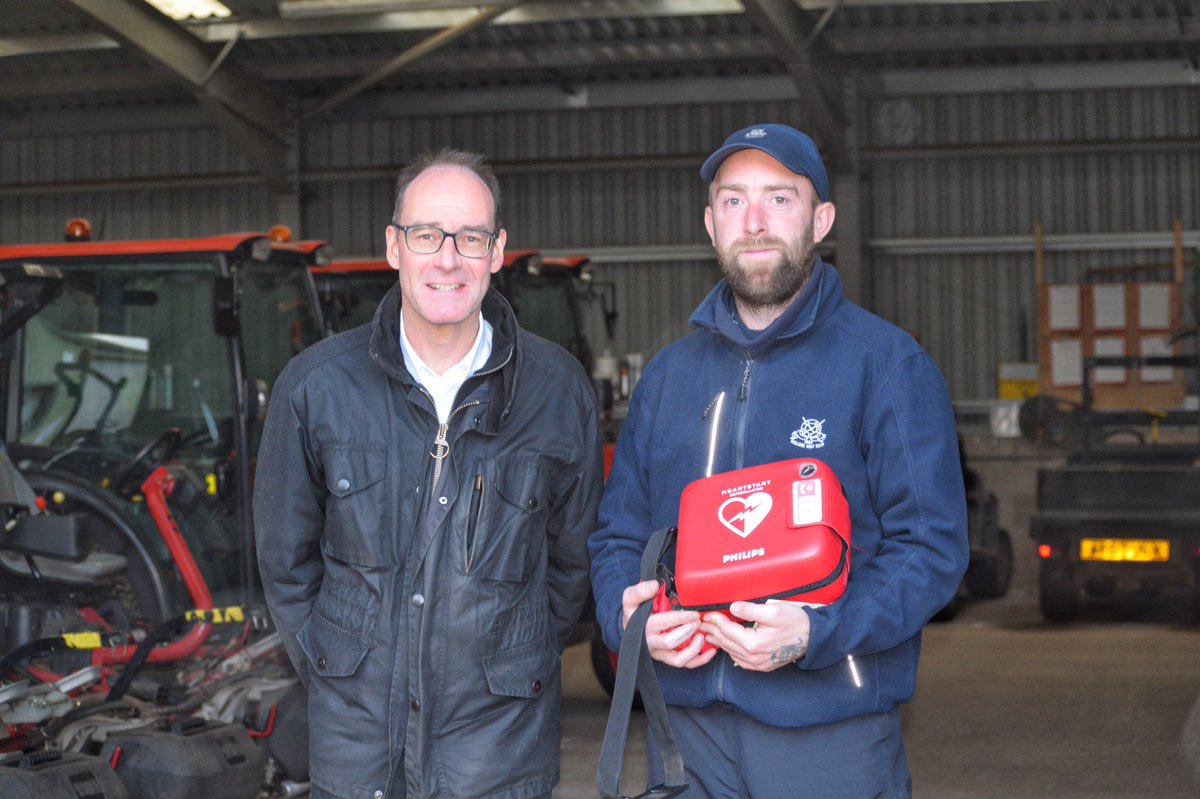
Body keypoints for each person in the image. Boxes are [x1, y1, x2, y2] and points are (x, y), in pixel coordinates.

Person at [588, 124, 969, 798]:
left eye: (779, 198)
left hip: (829, 731)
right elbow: (619, 535)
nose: (756, 222)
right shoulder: (669, 377)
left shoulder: (885, 366)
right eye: (734, 202)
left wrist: (818, 632)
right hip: (686, 731)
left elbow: (930, 547)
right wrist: (634, 619)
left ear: (821, 219)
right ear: (710, 225)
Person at [254, 147, 603, 799]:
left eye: (469, 237)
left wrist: (511, 657)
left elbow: (572, 561)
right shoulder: (316, 387)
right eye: (426, 235)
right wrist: (341, 666)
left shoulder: (557, 390)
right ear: (394, 245)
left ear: (497, 250)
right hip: (359, 755)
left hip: (499, 754)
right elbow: (285, 559)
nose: (447, 258)